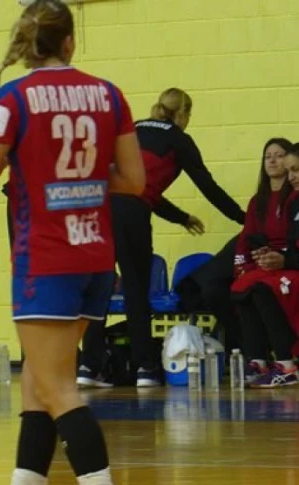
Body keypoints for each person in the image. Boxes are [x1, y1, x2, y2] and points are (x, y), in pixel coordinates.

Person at [0, 2, 145, 485]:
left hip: (45, 260)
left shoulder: (13, 97)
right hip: (94, 257)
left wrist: (38, 171)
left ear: (27, 43)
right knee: (37, 386)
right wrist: (84, 177)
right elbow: (134, 180)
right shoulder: (109, 94)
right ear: (70, 42)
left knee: (58, 389)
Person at [79, 87, 246, 388]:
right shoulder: (179, 140)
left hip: (96, 207)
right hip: (131, 213)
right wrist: (244, 219)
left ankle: (89, 367)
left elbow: (136, 185)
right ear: (184, 113)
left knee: (99, 289)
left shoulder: (132, 129)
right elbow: (208, 187)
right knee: (135, 289)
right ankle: (145, 367)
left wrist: (182, 217)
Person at [231, 141, 299, 387]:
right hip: (291, 264)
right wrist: (271, 255)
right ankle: (257, 360)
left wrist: (284, 259)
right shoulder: (293, 201)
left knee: (263, 289)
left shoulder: (291, 200)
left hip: (292, 268)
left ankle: (286, 364)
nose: (292, 177)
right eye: (290, 171)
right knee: (244, 287)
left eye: (296, 170)